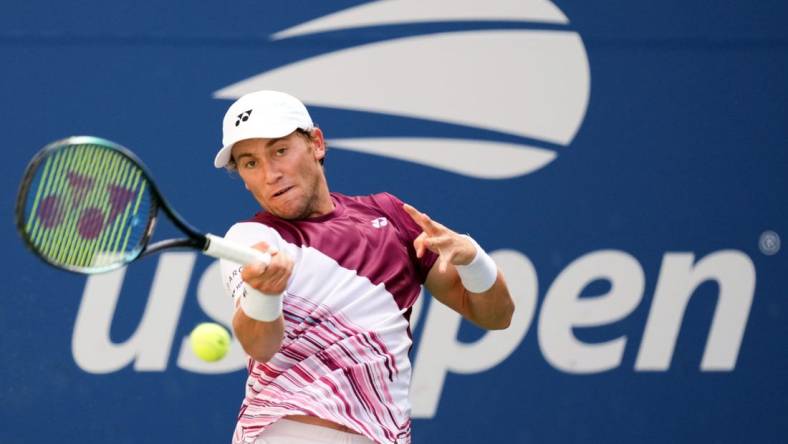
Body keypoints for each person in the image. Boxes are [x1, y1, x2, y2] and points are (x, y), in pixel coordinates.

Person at [214, 90, 514, 444]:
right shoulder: (251, 238)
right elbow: (260, 345)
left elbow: (497, 316)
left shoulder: (390, 217)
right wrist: (265, 294)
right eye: (250, 163)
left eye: (280, 151)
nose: (270, 174)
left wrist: (473, 259)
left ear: (316, 144)